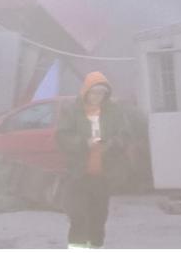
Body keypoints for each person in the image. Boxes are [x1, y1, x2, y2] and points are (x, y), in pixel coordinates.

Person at [57, 71, 125, 248]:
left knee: (99, 219)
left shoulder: (114, 111)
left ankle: (96, 247)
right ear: (86, 91)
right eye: (94, 92)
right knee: (78, 217)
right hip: (78, 175)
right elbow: (62, 136)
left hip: (103, 176)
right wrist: (83, 142)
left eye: (102, 93)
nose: (98, 97)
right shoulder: (72, 111)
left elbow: (125, 135)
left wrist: (110, 144)